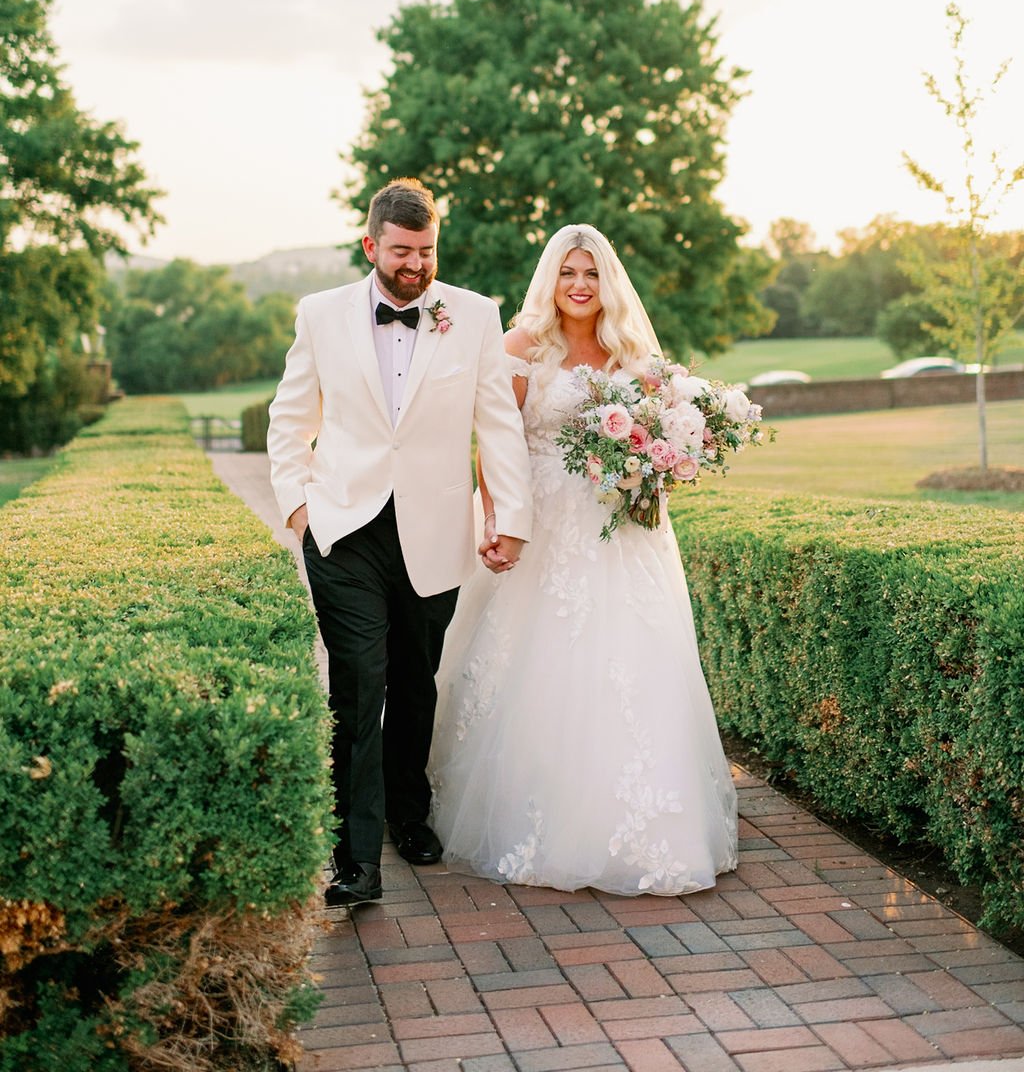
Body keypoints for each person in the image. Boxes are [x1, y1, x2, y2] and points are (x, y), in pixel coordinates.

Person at [428, 224, 738, 896]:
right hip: (540, 525)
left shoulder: (632, 357)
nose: (579, 285)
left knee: (632, 662)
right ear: (551, 278)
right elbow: (495, 446)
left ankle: (648, 821)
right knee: (535, 660)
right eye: (568, 272)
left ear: (607, 283)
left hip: (620, 529)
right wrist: (498, 522)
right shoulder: (519, 349)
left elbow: (659, 439)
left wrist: (661, 463)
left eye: (591, 274)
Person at [268, 178, 532, 907]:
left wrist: (508, 517)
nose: (415, 265)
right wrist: (298, 511)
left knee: (417, 683)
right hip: (343, 532)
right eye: (401, 251)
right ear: (370, 245)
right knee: (358, 684)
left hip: (435, 532)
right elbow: (289, 418)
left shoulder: (475, 316)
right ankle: (355, 861)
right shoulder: (320, 315)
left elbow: (498, 424)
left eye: (426, 251)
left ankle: (409, 816)